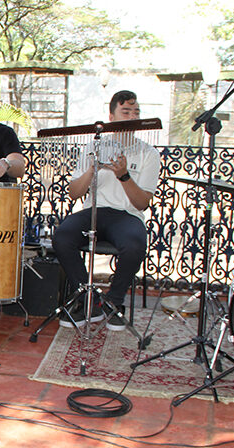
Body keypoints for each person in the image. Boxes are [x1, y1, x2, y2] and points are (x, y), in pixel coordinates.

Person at [51, 90, 160, 331]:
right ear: (111, 116)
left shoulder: (148, 153)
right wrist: (92, 169)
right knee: (62, 236)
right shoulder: (93, 146)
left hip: (126, 215)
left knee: (135, 244)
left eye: (136, 112)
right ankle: (88, 299)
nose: (132, 117)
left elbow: (142, 203)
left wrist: (124, 176)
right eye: (126, 112)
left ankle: (114, 302)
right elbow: (74, 193)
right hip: (94, 212)